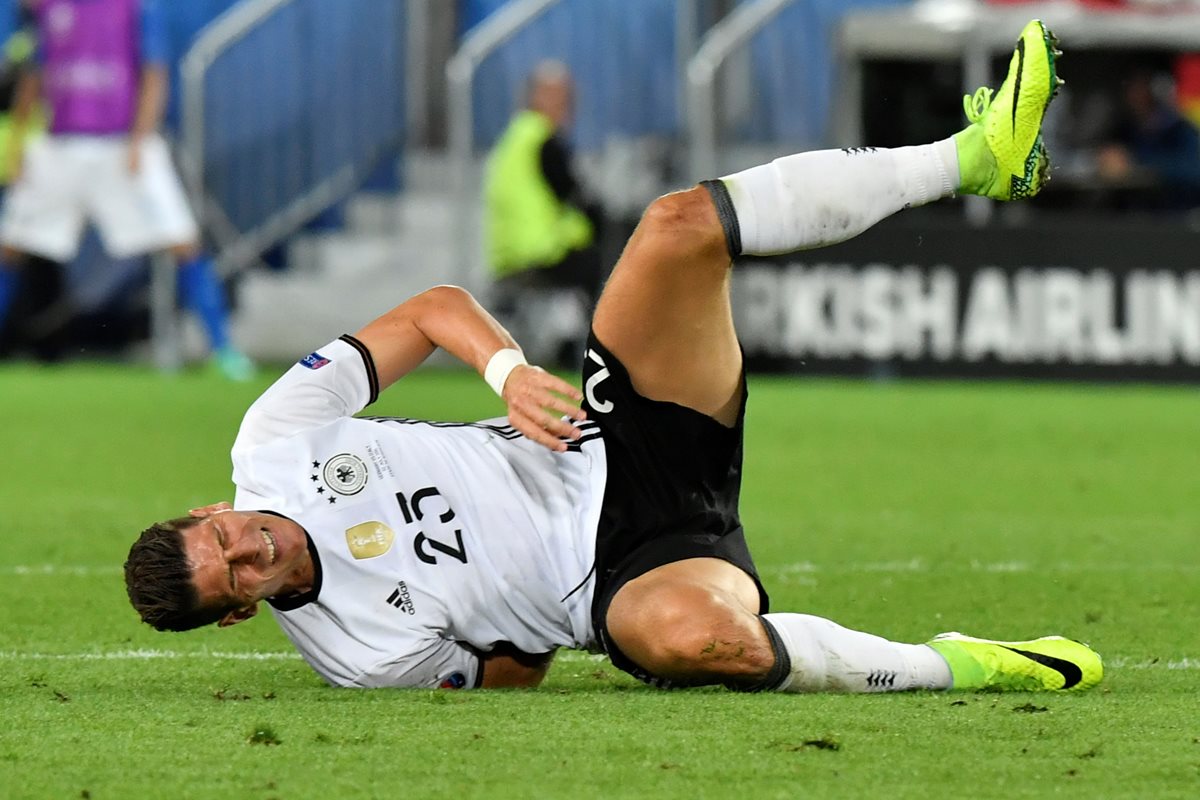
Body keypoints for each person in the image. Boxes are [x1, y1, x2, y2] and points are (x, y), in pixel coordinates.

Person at [125, 20, 1102, 693]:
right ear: (237, 614)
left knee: (675, 225)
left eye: (227, 538)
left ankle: (976, 157)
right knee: (695, 638)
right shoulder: (358, 653)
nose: (251, 549)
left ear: (213, 511)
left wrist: (506, 374)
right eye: (238, 577)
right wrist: (529, 607)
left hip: (609, 436)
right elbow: (508, 670)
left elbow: (430, 310)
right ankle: (968, 662)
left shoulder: (274, 440)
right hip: (625, 574)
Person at [0, 0, 254, 379]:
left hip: (124, 146)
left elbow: (154, 73)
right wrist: (19, 140)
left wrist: (140, 139)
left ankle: (224, 352)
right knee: (9, 248)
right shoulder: (47, 7)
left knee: (184, 243)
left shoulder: (137, 7)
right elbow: (35, 76)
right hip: (59, 147)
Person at [484, 60, 603, 366]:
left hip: (509, 255)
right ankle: (598, 350)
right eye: (558, 97)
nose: (565, 105)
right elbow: (576, 197)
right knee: (608, 263)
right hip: (540, 252)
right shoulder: (544, 142)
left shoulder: (514, 138)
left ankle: (570, 338)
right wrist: (598, 221)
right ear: (535, 97)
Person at [1095, 68, 1200, 211]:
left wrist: (1134, 162)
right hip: (1132, 217)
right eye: (1130, 87)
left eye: (1141, 87)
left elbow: (1192, 171)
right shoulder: (1124, 130)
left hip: (1175, 217)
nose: (1135, 95)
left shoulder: (1179, 130)